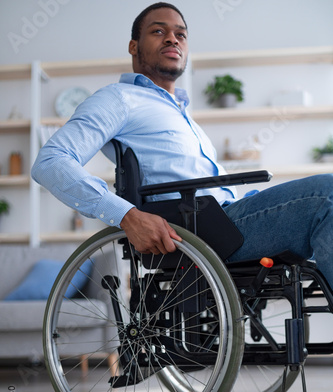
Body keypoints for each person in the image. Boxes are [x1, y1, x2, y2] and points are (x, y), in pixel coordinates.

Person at [32, 2, 333, 291]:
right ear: (133, 46)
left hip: (222, 219)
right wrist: (127, 216)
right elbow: (51, 161)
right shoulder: (119, 98)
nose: (172, 39)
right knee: (326, 196)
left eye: (181, 34)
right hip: (200, 232)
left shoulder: (182, 114)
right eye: (158, 31)